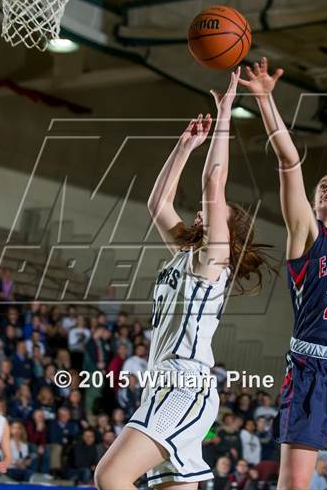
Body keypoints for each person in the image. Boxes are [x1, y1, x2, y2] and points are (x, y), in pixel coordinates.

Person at [94, 70, 272, 489]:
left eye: (216, 213)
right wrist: (185, 145)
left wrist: (225, 111)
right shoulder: (187, 255)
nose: (204, 211)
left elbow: (214, 181)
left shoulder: (215, 258)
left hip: (184, 384)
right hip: (165, 384)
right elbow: (158, 203)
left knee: (110, 475)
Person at [239, 57, 327, 489]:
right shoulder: (306, 233)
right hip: (313, 365)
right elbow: (289, 162)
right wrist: (265, 100)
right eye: (323, 186)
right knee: (296, 484)